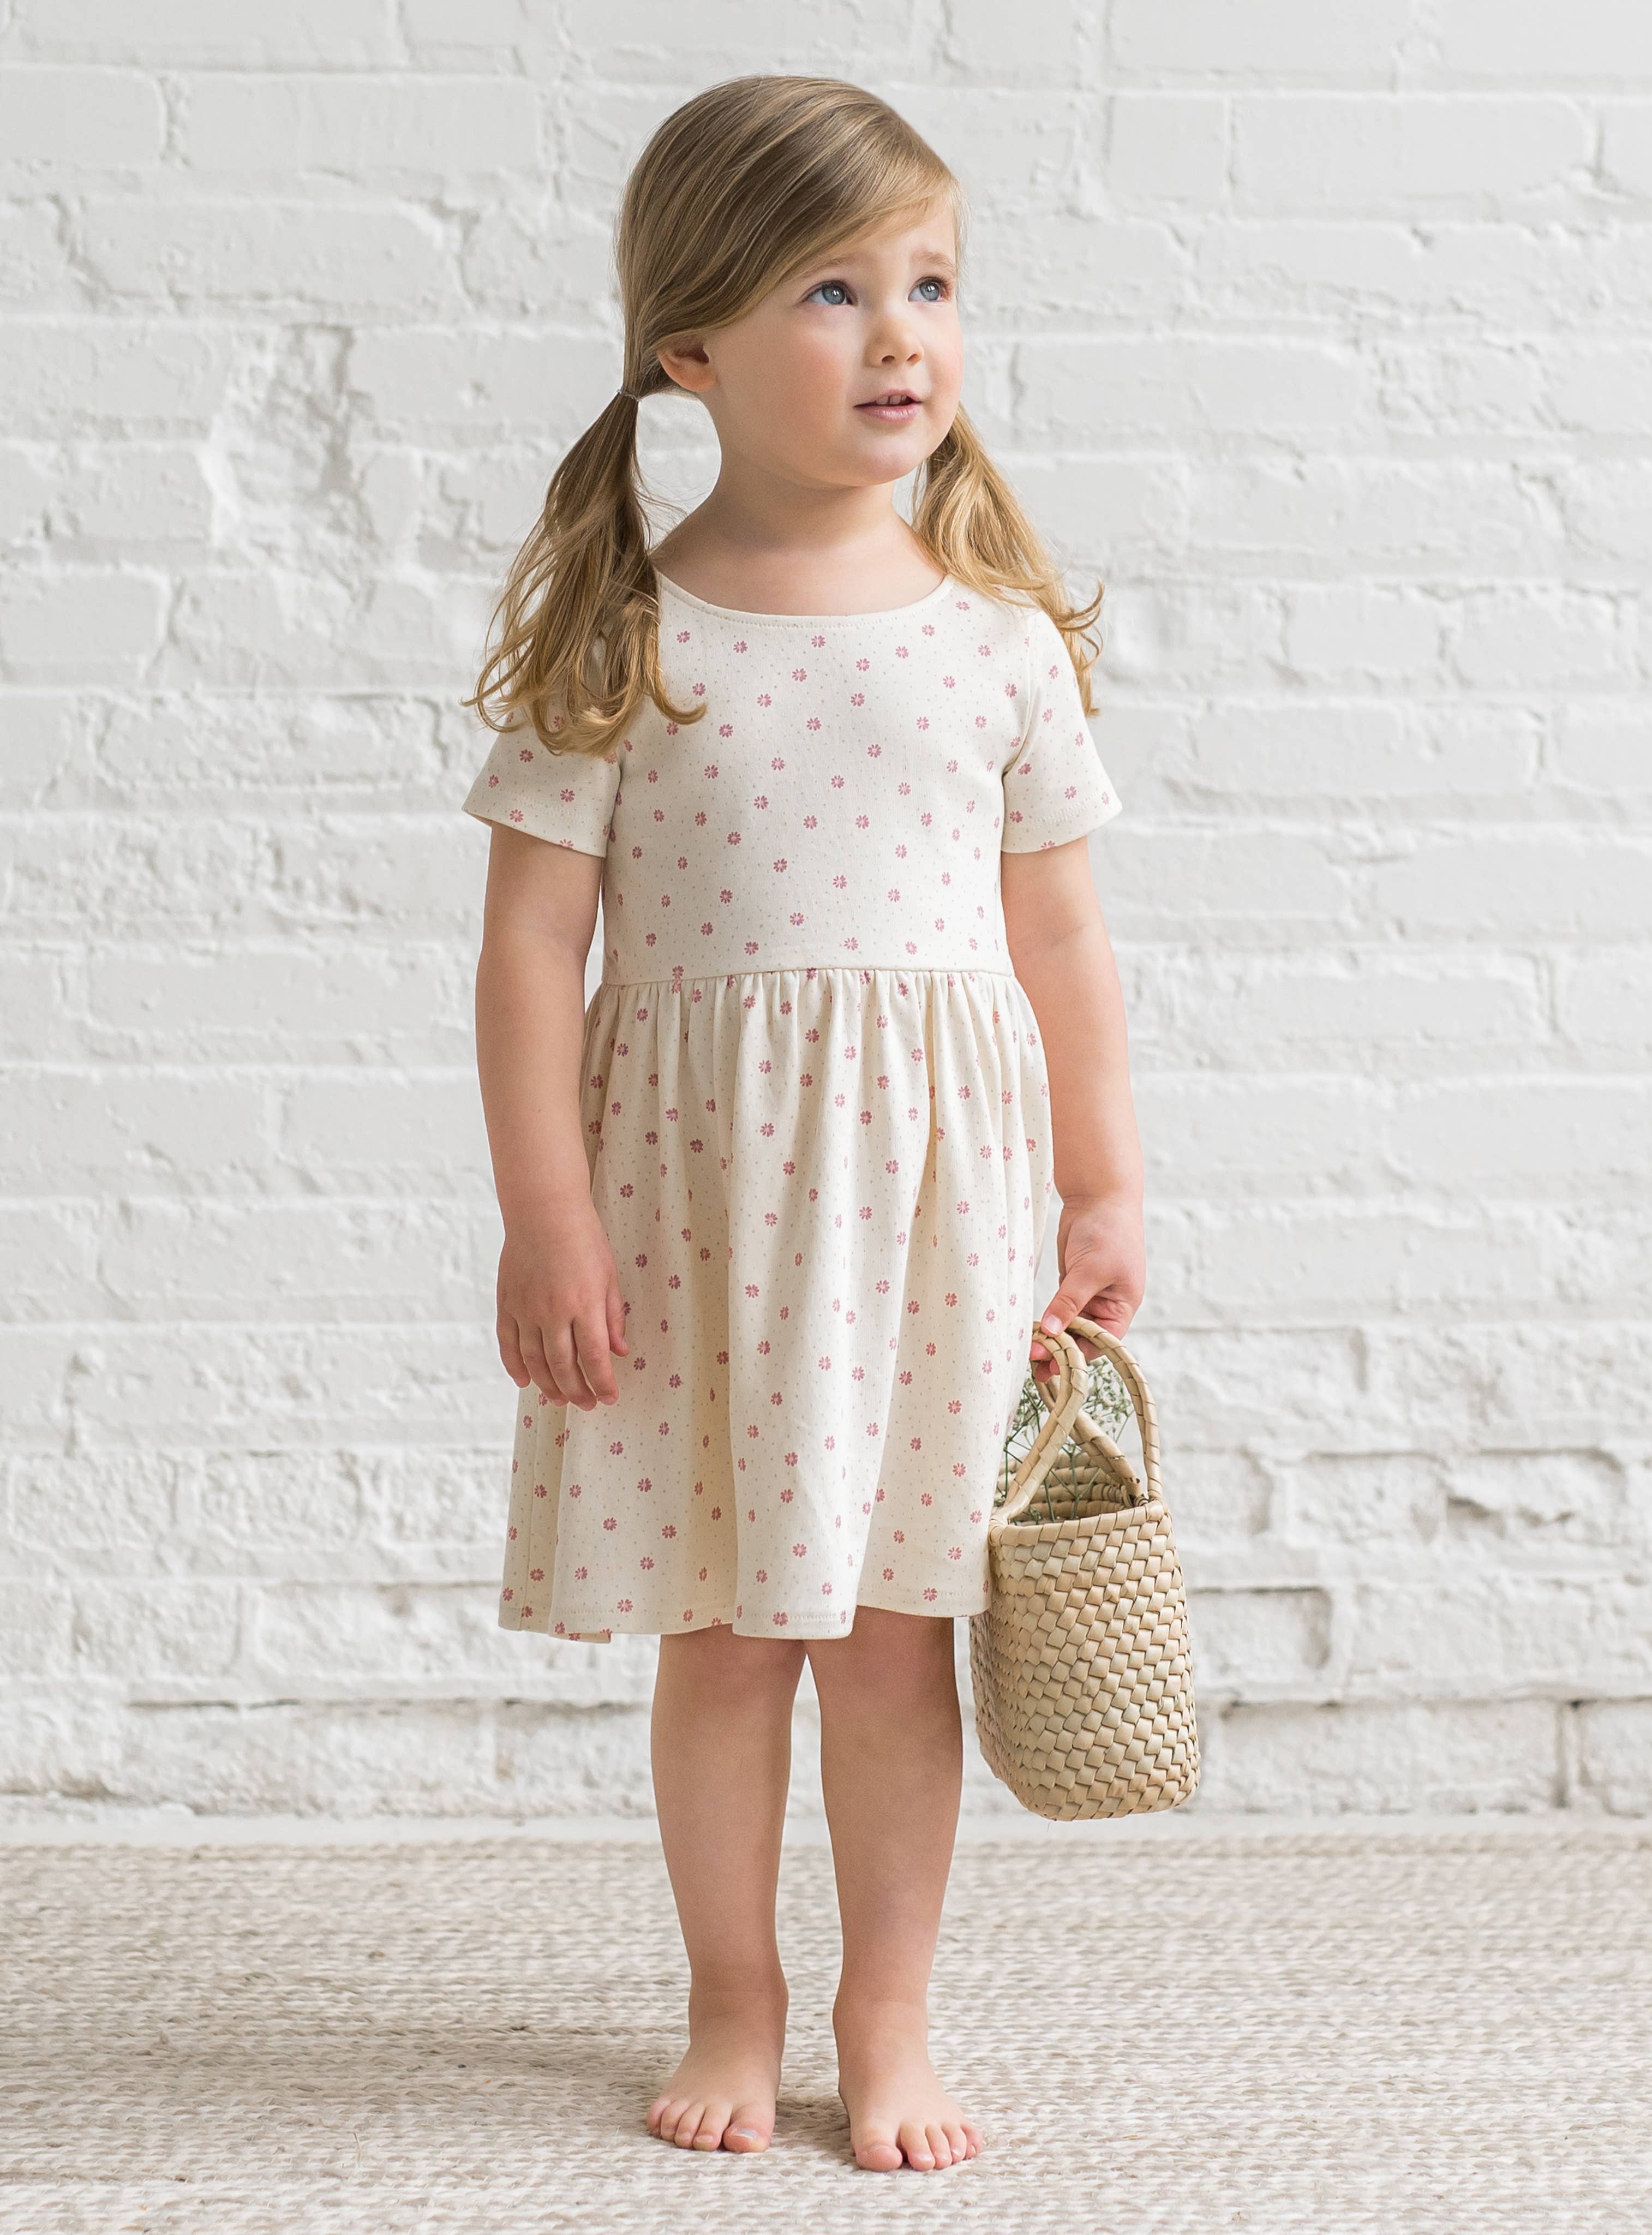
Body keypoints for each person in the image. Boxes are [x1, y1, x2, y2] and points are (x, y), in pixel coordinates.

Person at [458, 74, 1145, 2175]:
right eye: (832, 292)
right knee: (730, 1633)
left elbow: (1061, 936)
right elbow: (527, 953)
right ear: (690, 348)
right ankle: (734, 1995)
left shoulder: (996, 642)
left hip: (932, 1216)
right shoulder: (626, 635)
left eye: (928, 284)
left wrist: (1107, 1183)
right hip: (699, 1216)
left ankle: (888, 2012)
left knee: (892, 1639)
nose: (899, 334)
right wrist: (547, 1219)